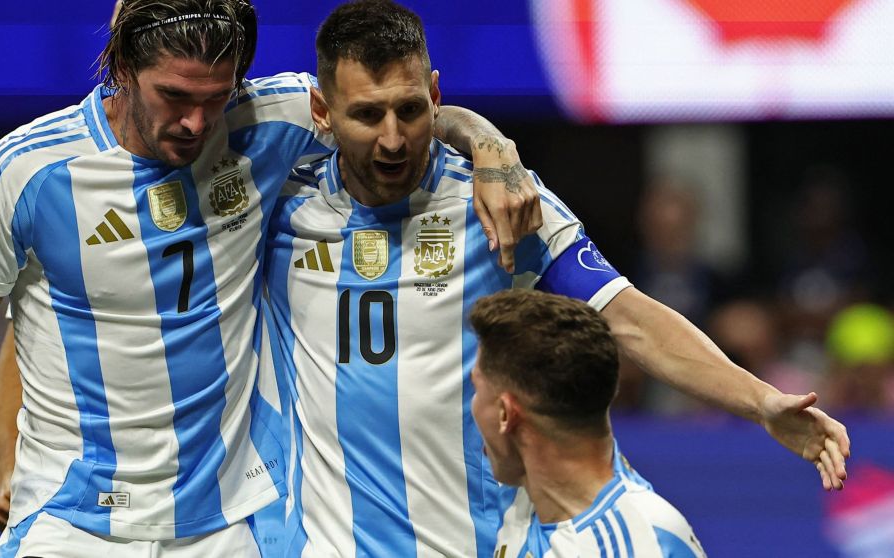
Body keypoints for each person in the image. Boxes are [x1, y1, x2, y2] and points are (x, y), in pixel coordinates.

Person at [0, 1, 540, 556]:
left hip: (230, 527)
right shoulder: (28, 170)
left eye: (214, 97)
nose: (195, 123)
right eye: (175, 97)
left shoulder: (270, 120)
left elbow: (398, 109)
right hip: (70, 527)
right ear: (123, 69)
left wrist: (491, 147)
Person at [260, 1, 849, 556]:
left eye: (410, 110)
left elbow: (630, 318)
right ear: (321, 112)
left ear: (435, 96)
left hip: (482, 543)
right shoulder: (278, 205)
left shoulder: (500, 199)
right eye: (366, 115)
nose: (392, 138)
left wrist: (762, 401)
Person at [470, 290, 706, 557]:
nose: (472, 408)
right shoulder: (525, 496)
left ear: (505, 413)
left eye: (476, 389)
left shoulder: (639, 544)